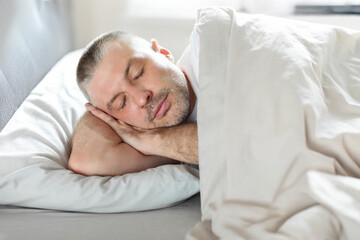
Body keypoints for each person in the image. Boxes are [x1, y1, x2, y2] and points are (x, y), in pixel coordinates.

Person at [68, 30, 199, 176]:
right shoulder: (155, 139)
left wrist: (150, 140)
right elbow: (86, 162)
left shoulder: (207, 53)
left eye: (138, 73)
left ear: (163, 53)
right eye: (122, 103)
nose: (142, 99)